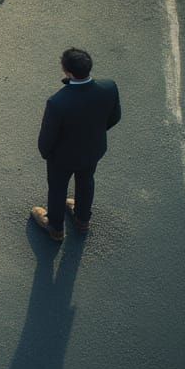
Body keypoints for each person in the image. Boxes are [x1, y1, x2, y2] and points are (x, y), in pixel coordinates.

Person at [31, 48, 121, 241]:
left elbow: (48, 137)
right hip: (93, 150)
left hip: (62, 158)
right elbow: (115, 117)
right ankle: (82, 219)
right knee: (86, 181)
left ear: (67, 72)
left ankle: (55, 227)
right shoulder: (109, 88)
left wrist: (46, 153)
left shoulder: (58, 102)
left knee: (57, 188)